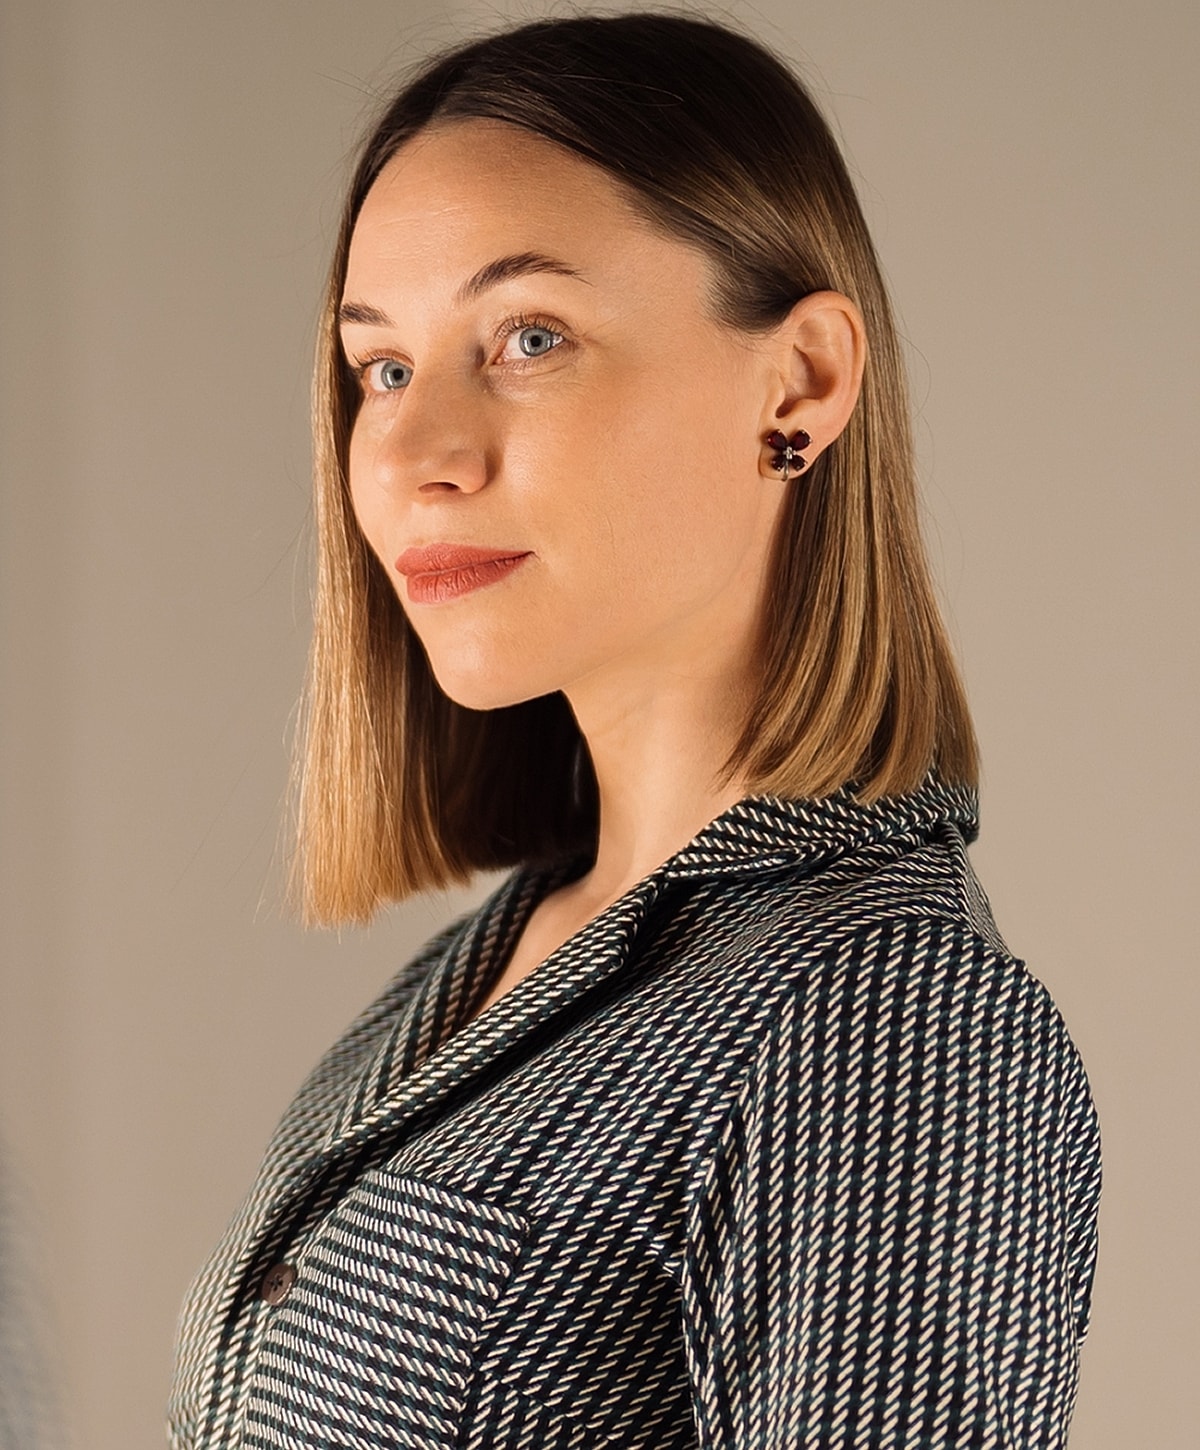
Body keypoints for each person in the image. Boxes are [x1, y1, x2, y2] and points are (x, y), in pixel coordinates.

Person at [169, 12, 1100, 1448]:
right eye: (384, 369)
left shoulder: (885, 1017)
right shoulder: (478, 972)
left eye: (528, 337)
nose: (417, 455)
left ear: (799, 385)